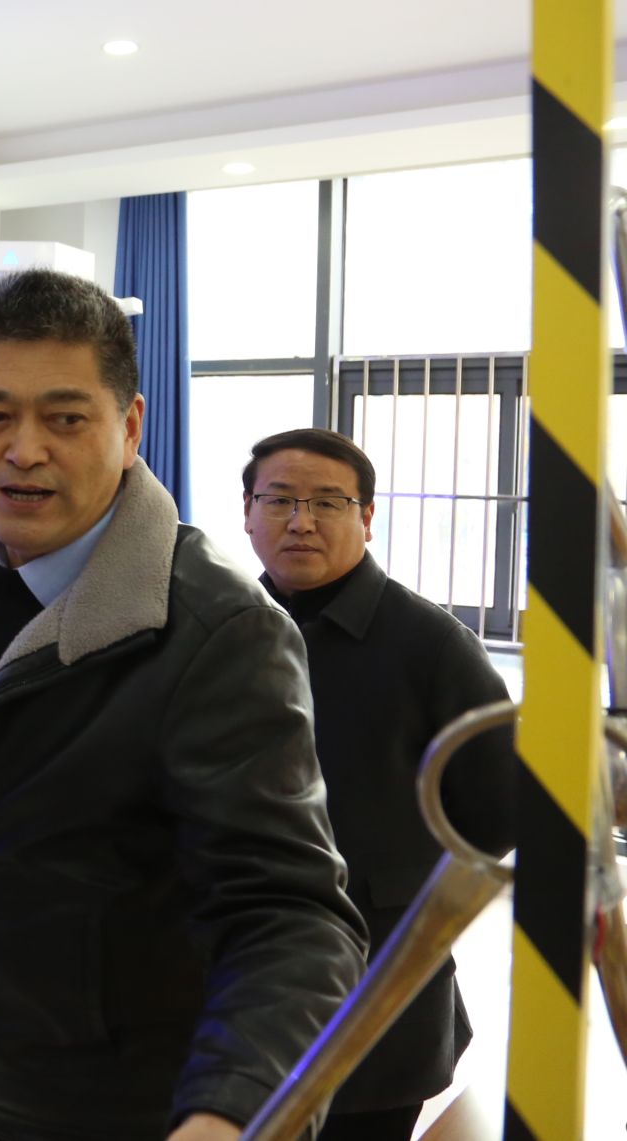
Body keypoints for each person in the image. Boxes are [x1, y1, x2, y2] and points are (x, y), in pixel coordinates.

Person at [0, 268, 367, 1141]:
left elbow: (292, 915)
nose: (24, 450)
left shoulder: (216, 628)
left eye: (65, 419)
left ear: (130, 426)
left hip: (112, 1106)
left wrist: (234, 1107)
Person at [242, 427, 515, 1141]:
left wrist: (397, 881)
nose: (301, 521)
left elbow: (496, 809)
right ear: (247, 513)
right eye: (279, 499)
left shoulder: (431, 643)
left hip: (379, 970)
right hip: (237, 974)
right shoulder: (223, 627)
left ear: (366, 517)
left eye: (327, 502)